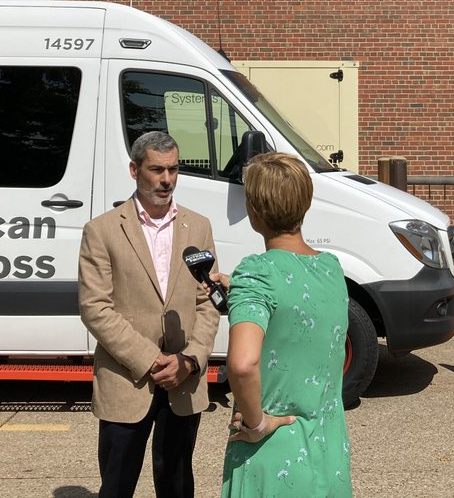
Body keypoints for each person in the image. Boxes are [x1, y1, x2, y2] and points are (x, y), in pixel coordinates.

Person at [78, 131, 221, 498]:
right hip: (127, 380)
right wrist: (150, 359)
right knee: (117, 484)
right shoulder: (103, 230)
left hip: (183, 380)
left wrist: (190, 361)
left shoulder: (198, 226)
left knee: (176, 483)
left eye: (173, 170)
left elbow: (208, 303)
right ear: (134, 170)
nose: (166, 179)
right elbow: (95, 307)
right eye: (156, 169)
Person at [221, 152, 352, 496]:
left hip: (274, 455)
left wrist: (257, 422)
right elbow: (300, 313)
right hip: (327, 448)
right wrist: (239, 289)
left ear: (254, 210)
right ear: (304, 203)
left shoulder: (257, 273)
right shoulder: (331, 269)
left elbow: (242, 363)